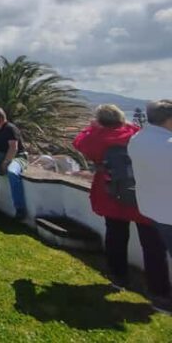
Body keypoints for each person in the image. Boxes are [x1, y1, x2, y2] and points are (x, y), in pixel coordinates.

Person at [74, 104, 170, 311]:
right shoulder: (134, 133)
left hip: (111, 193)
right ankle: (159, 293)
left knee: (115, 236)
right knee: (153, 246)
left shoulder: (95, 137)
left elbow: (79, 142)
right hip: (141, 197)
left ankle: (118, 277)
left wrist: (90, 127)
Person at [129, 99, 172, 313]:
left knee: (154, 254)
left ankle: (159, 296)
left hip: (148, 207)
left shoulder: (136, 140)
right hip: (168, 212)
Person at [0, 108, 28, 220]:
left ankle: (20, 209)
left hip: (17, 157)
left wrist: (6, 162)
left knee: (12, 172)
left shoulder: (10, 129)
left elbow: (13, 148)